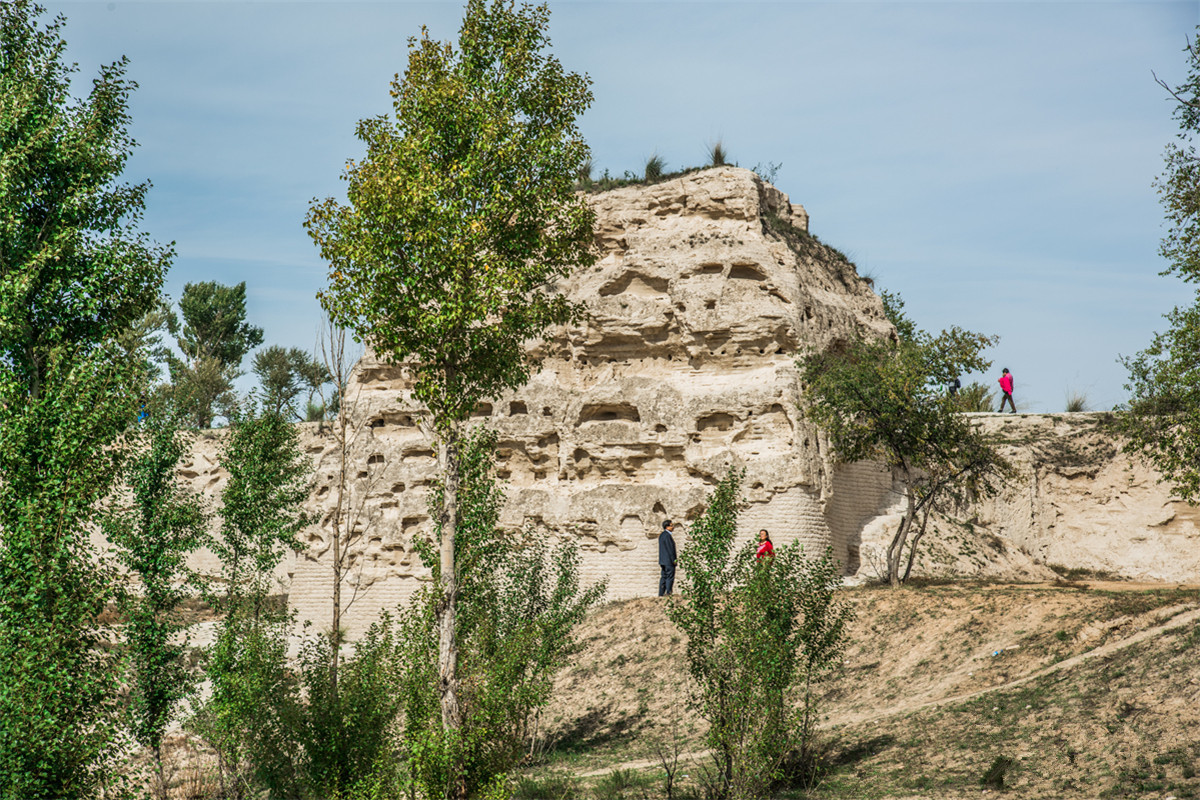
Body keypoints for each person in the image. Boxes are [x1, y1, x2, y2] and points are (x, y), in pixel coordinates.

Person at [658, 519, 677, 596]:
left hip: (663, 560)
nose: (673, 527)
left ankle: (661, 593)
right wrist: (674, 560)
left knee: (663, 577)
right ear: (667, 527)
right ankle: (668, 592)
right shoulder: (667, 536)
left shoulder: (662, 535)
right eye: (671, 525)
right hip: (668, 560)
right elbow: (670, 549)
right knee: (669, 576)